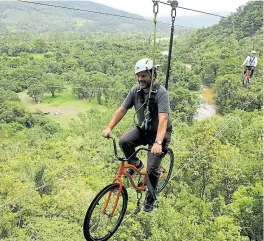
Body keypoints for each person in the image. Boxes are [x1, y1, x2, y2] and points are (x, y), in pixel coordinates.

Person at [102, 58, 172, 212]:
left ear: (152, 75)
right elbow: (122, 110)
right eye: (138, 76)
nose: (140, 79)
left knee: (153, 169)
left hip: (159, 134)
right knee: (124, 141)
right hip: (143, 130)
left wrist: (158, 142)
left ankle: (150, 198)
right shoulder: (135, 91)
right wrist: (109, 127)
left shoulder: (161, 93)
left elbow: (163, 120)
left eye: (144, 76)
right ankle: (136, 164)